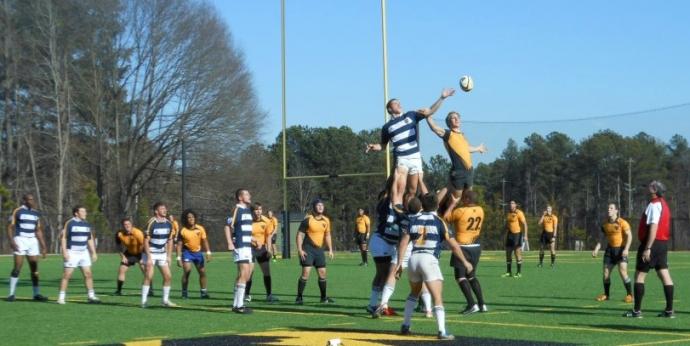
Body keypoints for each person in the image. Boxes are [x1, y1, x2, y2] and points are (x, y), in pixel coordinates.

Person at [366, 88, 455, 210]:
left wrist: (442, 97)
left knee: (412, 191)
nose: (399, 104)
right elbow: (383, 145)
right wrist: (373, 147)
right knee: (399, 188)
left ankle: (408, 214)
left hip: (415, 158)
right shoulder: (387, 127)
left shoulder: (411, 115)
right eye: (395, 103)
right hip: (402, 159)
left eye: (399, 102)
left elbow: (430, 111)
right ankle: (396, 211)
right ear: (390, 109)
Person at [396, 193, 468, 340]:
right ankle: (442, 331)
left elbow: (403, 243)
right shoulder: (439, 221)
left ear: (422, 205)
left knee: (413, 294)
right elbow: (453, 245)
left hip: (413, 259)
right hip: (429, 259)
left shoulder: (414, 219)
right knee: (437, 298)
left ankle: (405, 325)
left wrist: (399, 264)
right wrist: (465, 262)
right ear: (437, 205)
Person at [624, 181, 675, 318]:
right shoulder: (664, 204)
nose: (647, 187)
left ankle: (636, 311)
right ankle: (669, 311)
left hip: (652, 243)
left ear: (654, 190)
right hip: (663, 244)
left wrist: (648, 247)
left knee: (640, 276)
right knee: (664, 274)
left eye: (650, 186)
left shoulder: (654, 205)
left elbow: (653, 227)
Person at [425, 111, 486, 213]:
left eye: (458, 117)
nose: (457, 119)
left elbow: (466, 149)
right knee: (455, 200)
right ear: (449, 122)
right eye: (453, 118)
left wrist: (478, 148)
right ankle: (433, 212)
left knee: (468, 198)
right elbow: (434, 128)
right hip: (459, 172)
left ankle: (462, 219)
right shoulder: (448, 134)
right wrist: (428, 115)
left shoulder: (462, 135)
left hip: (469, 171)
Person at [444, 190, 487, 314]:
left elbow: (445, 219)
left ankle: (471, 304)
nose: (462, 200)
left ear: (467, 199)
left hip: (462, 247)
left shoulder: (460, 211)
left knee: (460, 277)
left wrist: (452, 204)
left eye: (463, 198)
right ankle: (482, 304)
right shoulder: (480, 210)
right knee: (472, 275)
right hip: (476, 246)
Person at [6, 193, 48, 302]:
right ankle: (11, 294)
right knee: (17, 268)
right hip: (20, 240)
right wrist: (12, 241)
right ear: (24, 200)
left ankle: (36, 294)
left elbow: (38, 231)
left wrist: (43, 246)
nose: (32, 201)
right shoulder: (18, 211)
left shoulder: (36, 213)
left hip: (32, 241)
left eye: (33, 199)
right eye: (29, 199)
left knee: (34, 269)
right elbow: (10, 227)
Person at [57, 206, 100, 304]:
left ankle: (91, 296)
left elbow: (89, 238)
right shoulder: (69, 223)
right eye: (83, 211)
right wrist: (64, 252)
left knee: (88, 274)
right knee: (67, 275)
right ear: (76, 213)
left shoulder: (86, 224)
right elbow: (63, 238)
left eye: (85, 211)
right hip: (72, 252)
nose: (85, 213)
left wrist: (93, 252)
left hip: (84, 252)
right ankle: (61, 297)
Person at [295, 199, 334, 305]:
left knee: (322, 274)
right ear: (314, 207)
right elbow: (299, 235)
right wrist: (300, 250)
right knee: (306, 273)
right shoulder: (308, 219)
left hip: (319, 250)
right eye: (318, 205)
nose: (321, 207)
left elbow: (327, 235)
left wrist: (330, 249)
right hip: (308, 249)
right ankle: (299, 297)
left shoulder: (326, 220)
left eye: (322, 205)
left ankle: (323, 297)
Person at [592, 203, 633, 303]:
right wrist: (597, 248)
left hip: (621, 250)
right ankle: (606, 295)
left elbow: (630, 236)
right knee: (606, 274)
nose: (609, 210)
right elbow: (601, 239)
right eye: (608, 208)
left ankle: (630, 295)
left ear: (616, 211)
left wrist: (626, 249)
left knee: (623, 272)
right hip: (610, 251)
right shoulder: (605, 224)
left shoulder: (622, 222)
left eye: (611, 208)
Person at [141, 202, 177, 308]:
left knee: (168, 277)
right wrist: (148, 257)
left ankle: (165, 300)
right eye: (162, 209)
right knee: (149, 276)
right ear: (156, 211)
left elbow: (170, 240)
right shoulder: (151, 222)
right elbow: (145, 241)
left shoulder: (169, 223)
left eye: (165, 208)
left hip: (162, 253)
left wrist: (169, 256)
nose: (165, 210)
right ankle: (144, 301)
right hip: (150, 252)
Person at [225, 188, 254, 314]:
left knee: (246, 275)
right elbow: (227, 226)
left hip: (247, 246)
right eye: (246, 194)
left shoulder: (247, 210)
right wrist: (230, 242)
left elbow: (243, 229)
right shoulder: (236, 209)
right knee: (244, 273)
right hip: (240, 246)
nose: (249, 195)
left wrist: (253, 239)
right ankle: (239, 305)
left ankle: (236, 304)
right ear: (240, 197)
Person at [245, 203, 278, 303]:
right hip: (250, 248)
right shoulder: (248, 221)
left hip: (262, 249)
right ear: (252, 211)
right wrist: (254, 242)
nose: (258, 211)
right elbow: (245, 235)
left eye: (260, 209)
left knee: (266, 272)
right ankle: (246, 295)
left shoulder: (266, 221)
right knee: (250, 272)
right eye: (256, 210)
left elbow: (268, 236)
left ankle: (269, 295)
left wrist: (269, 249)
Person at [176, 209, 212, 299]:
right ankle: (184, 293)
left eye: (192, 217)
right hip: (187, 252)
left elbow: (204, 240)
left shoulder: (200, 228)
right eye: (189, 217)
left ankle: (203, 292)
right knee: (187, 271)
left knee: (202, 272)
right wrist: (178, 258)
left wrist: (208, 252)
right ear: (185, 219)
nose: (191, 219)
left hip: (198, 253)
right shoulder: (182, 230)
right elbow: (179, 245)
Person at [114, 218, 148, 296]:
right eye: (125, 225)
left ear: (131, 225)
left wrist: (143, 257)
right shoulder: (119, 234)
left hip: (141, 253)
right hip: (129, 253)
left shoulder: (138, 233)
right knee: (121, 269)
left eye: (128, 224)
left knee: (146, 272)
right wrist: (123, 257)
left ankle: (150, 290)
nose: (127, 226)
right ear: (122, 226)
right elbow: (118, 246)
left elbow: (145, 245)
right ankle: (118, 291)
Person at [503, 201, 528, 278]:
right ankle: (508, 272)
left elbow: (525, 224)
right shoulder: (508, 213)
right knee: (508, 253)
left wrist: (525, 235)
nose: (511, 205)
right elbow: (507, 225)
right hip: (510, 234)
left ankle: (519, 272)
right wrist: (504, 233)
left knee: (517, 253)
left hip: (517, 234)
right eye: (510, 203)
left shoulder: (519, 213)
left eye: (513, 203)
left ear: (515, 205)